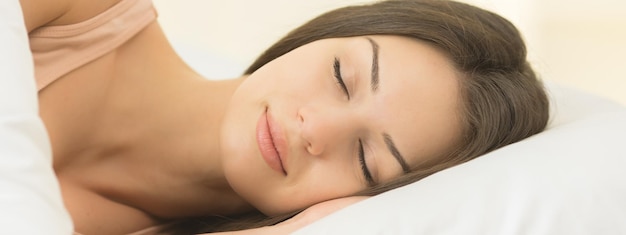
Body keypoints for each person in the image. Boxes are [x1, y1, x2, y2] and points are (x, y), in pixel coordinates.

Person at [19, 0, 548, 234]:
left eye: (365, 159)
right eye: (341, 75)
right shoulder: (83, 11)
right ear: (322, 36)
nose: (314, 129)